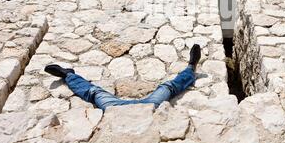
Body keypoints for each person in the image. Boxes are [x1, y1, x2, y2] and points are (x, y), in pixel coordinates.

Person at [44, 44, 202, 111]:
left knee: (94, 92)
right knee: (168, 87)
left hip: (116, 108)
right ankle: (191, 67)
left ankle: (68, 75)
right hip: (150, 106)